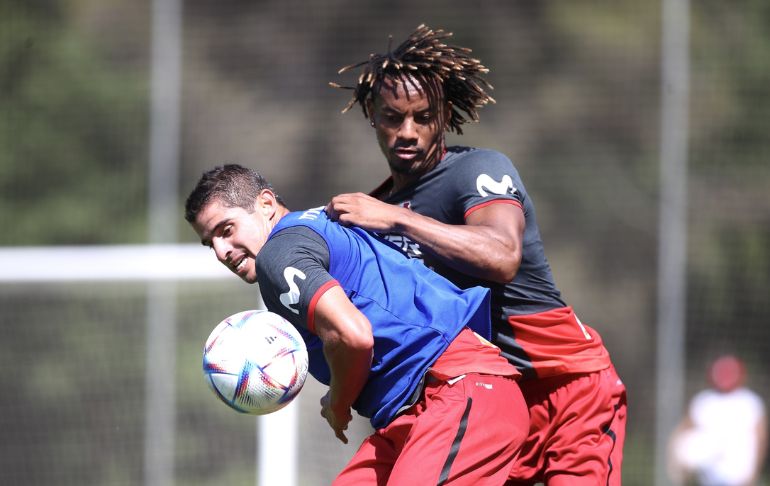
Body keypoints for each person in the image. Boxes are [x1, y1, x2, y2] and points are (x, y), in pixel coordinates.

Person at [327, 24, 627, 485]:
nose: (408, 132)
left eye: (423, 117)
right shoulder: (379, 209)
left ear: (444, 116)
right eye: (392, 117)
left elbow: (503, 255)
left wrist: (399, 220)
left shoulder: (476, 171)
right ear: (371, 114)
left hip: (567, 391)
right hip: (485, 399)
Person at [185, 164, 529, 485]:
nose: (220, 251)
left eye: (226, 230)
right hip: (410, 415)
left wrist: (337, 402)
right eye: (209, 242)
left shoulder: (279, 254)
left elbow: (352, 335)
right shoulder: (317, 225)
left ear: (266, 203)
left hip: (456, 391)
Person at [668, 354, 767, 486]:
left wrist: (754, 472)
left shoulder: (750, 402)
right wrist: (676, 461)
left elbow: (760, 439)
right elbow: (683, 433)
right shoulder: (704, 401)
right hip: (710, 476)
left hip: (739, 476)